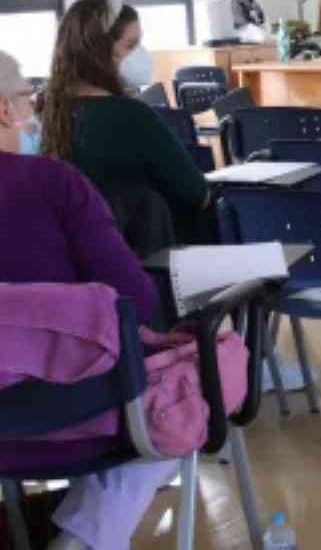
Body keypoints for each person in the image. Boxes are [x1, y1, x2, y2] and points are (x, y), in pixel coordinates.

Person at [0, 50, 177, 550]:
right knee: (187, 392)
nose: (32, 111)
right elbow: (136, 301)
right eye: (25, 99)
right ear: (3, 111)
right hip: (77, 411)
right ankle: (84, 537)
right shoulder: (54, 184)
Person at [40, 0, 214, 244]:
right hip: (145, 260)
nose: (141, 55)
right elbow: (197, 194)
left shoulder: (41, 112)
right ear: (97, 50)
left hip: (71, 264)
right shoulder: (131, 115)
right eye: (131, 45)